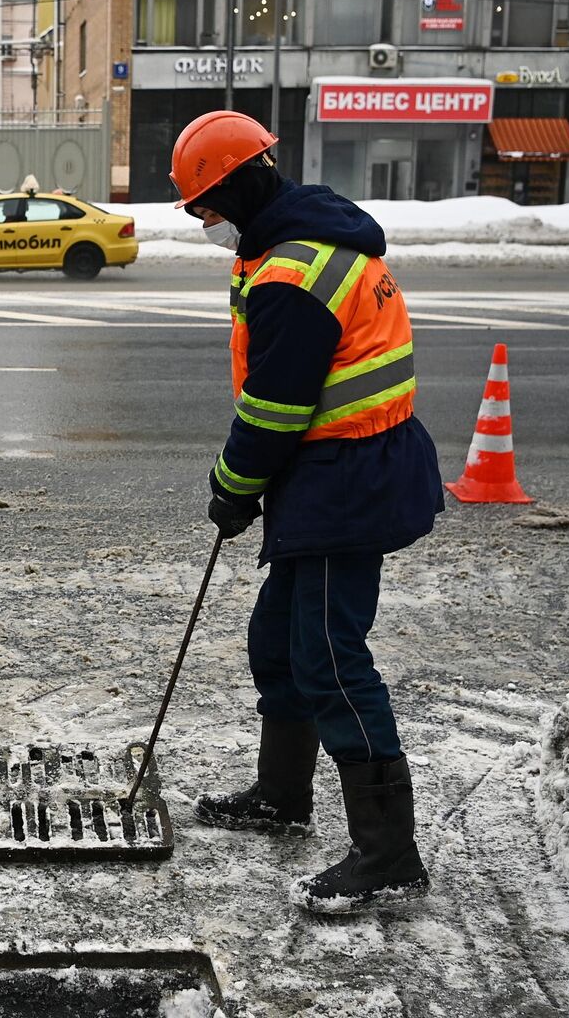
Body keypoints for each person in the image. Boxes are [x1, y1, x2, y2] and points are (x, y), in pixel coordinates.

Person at [171, 111, 443, 913]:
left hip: (346, 480)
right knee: (279, 643)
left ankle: (390, 853)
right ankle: (282, 796)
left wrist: (232, 487)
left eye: (207, 207)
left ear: (243, 183)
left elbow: (275, 408)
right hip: (333, 471)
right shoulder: (300, 240)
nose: (206, 224)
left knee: (328, 655)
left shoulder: (294, 273)